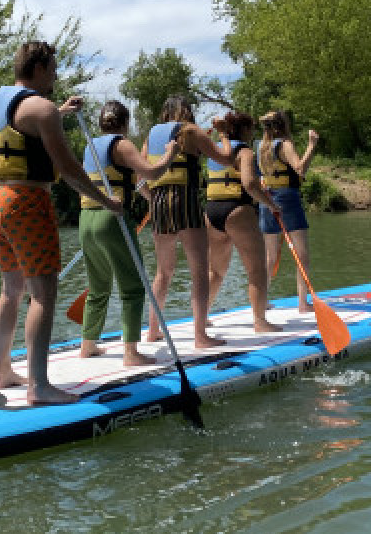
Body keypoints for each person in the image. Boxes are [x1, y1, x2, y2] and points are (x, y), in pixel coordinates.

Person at [0, 40, 123, 405]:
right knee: (42, 295)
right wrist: (106, 200)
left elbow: (23, 127)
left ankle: (2, 371)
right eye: (55, 69)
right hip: (27, 203)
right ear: (41, 68)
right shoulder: (42, 110)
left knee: (10, 290)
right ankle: (38, 386)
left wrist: (58, 111)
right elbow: (69, 170)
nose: (57, 75)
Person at [77, 100, 180, 366]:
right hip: (113, 220)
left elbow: (134, 182)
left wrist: (149, 199)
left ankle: (87, 345)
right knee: (133, 287)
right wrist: (170, 153)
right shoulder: (122, 145)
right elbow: (152, 172)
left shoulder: (91, 146)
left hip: (86, 220)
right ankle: (131, 353)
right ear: (125, 123)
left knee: (98, 286)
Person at [142, 95, 240, 348]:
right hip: (184, 198)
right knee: (199, 270)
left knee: (163, 272)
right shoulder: (190, 130)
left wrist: (154, 199)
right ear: (186, 111)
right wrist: (223, 134)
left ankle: (153, 331)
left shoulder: (151, 135)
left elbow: (139, 180)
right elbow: (228, 159)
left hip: (158, 202)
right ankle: (200, 336)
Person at [205, 112, 284, 333]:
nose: (252, 133)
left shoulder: (214, 151)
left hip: (211, 212)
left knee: (216, 272)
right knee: (256, 269)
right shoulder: (245, 151)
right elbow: (249, 184)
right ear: (244, 130)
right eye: (250, 129)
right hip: (237, 209)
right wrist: (270, 204)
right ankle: (260, 322)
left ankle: (202, 318)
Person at [258, 110, 320, 313]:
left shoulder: (261, 146)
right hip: (287, 198)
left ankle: (262, 301)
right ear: (283, 125)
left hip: (266, 200)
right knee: (302, 254)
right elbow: (300, 169)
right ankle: (303, 303)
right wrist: (311, 145)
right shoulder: (285, 144)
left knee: (270, 256)